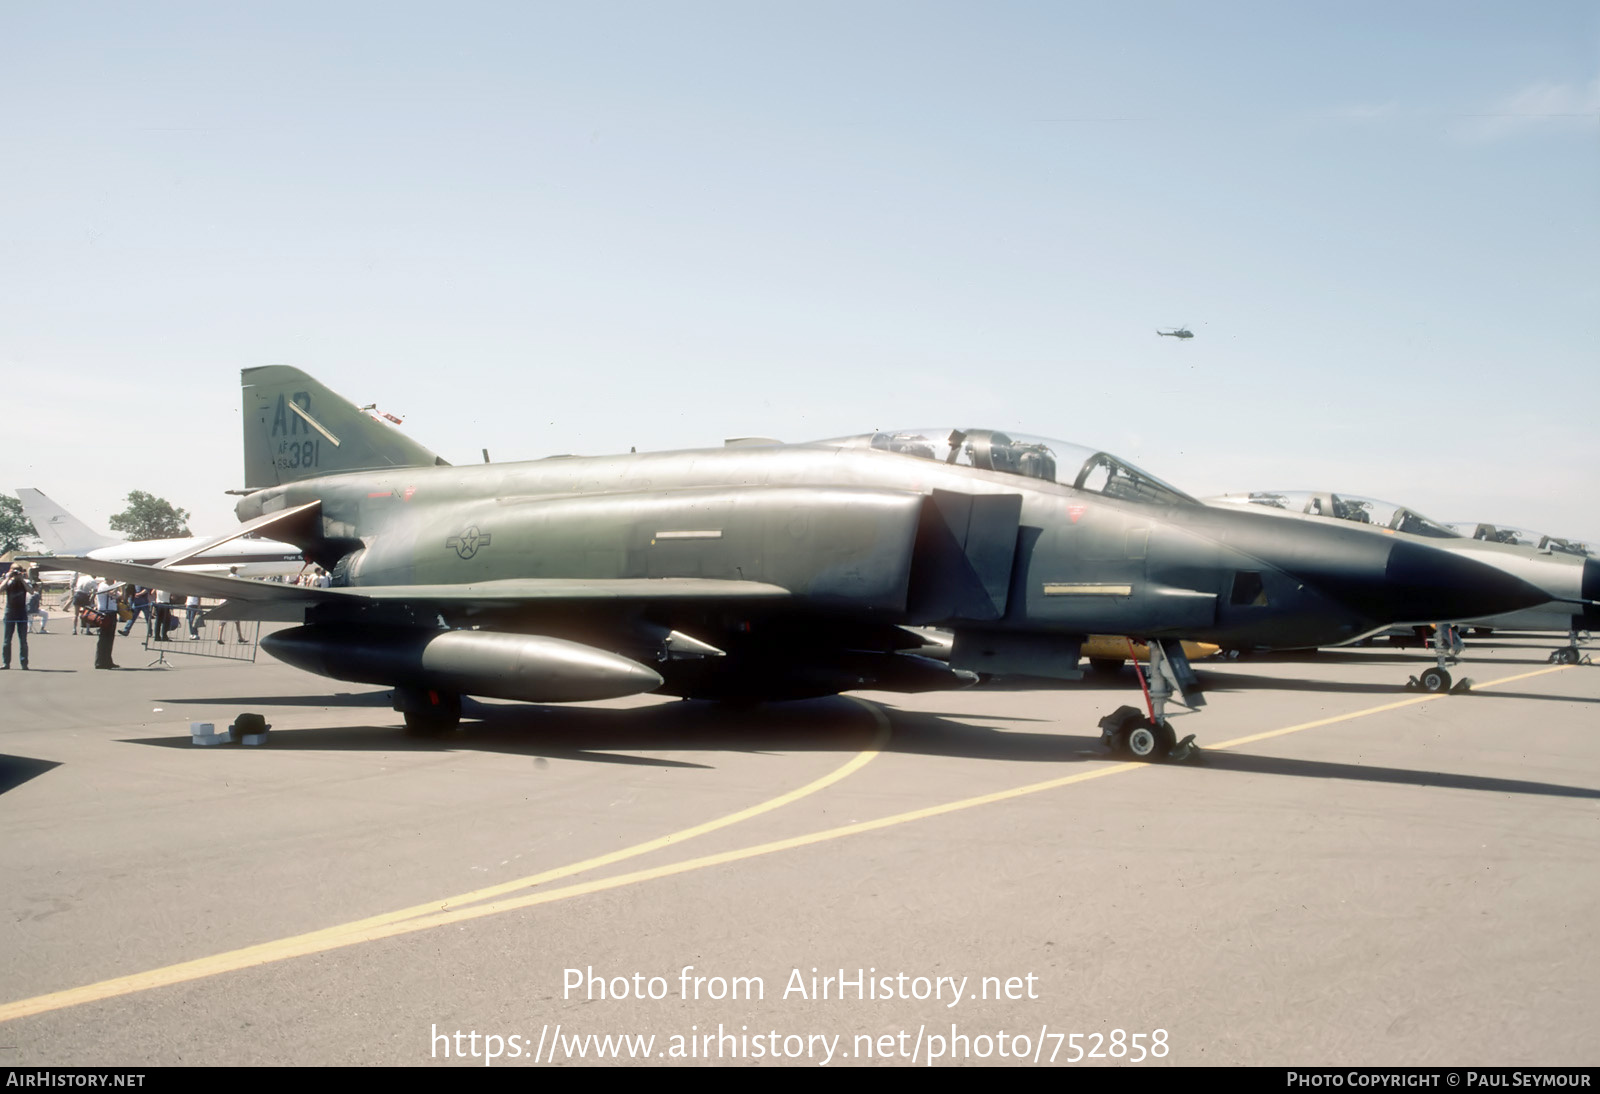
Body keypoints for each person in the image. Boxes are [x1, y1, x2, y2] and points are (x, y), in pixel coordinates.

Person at [2, 563, 32, 670]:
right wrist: (8, 577)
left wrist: (22, 579)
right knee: (7, 640)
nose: (16, 572)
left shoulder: (25, 582)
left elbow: (31, 591)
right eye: (14, 570)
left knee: (23, 639)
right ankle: (6, 663)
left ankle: (24, 663)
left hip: (21, 612)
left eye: (18, 570)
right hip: (10, 612)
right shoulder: (8, 582)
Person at [94, 577, 122, 669]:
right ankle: (100, 661)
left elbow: (120, 596)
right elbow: (112, 593)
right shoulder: (103, 586)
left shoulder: (111, 586)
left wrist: (122, 587)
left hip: (112, 612)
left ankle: (108, 660)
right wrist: (118, 585)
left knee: (110, 638)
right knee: (103, 638)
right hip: (105, 613)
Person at [27, 566, 48, 633]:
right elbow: (36, 604)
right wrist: (36, 611)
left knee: (30, 616)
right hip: (33, 610)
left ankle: (29, 629)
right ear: (35, 587)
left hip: (26, 610)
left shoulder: (27, 593)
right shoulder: (36, 594)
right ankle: (42, 628)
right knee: (45, 614)